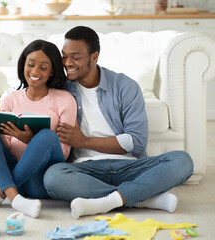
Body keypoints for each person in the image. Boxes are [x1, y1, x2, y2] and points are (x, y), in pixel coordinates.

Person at [43, 26, 194, 219]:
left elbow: (136, 142)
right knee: (53, 177)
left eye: (75, 57)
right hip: (85, 169)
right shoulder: (61, 87)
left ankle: (109, 200)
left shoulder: (125, 86)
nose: (67, 63)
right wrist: (4, 102)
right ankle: (143, 199)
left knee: (182, 161)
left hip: (130, 167)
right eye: (64, 56)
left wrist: (83, 141)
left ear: (94, 56)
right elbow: (27, 88)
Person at [0, 39, 77, 218]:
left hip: (41, 181)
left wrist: (30, 140)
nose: (35, 71)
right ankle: (15, 197)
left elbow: (63, 152)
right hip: (15, 177)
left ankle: (0, 194)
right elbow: (5, 148)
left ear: (52, 71)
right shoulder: (10, 99)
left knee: (47, 136)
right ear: (23, 65)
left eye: (43, 67)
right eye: (30, 64)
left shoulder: (65, 100)